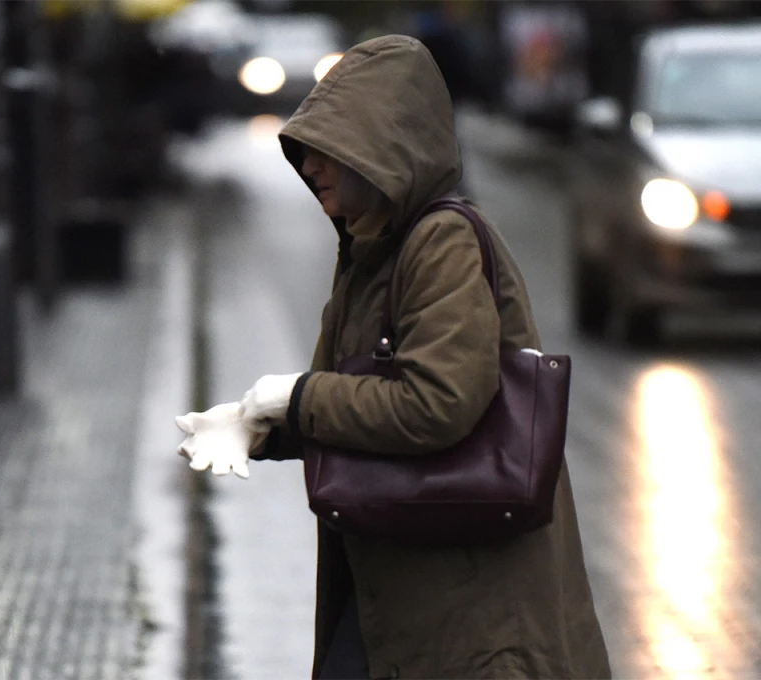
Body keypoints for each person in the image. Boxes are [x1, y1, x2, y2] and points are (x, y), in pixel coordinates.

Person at [183, 36, 612, 678]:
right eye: (305, 152)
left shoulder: (441, 241)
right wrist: (258, 423)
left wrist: (291, 398)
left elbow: (436, 403)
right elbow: (353, 400)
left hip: (468, 608)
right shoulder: (369, 250)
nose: (311, 166)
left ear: (382, 151)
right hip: (400, 587)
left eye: (329, 151)